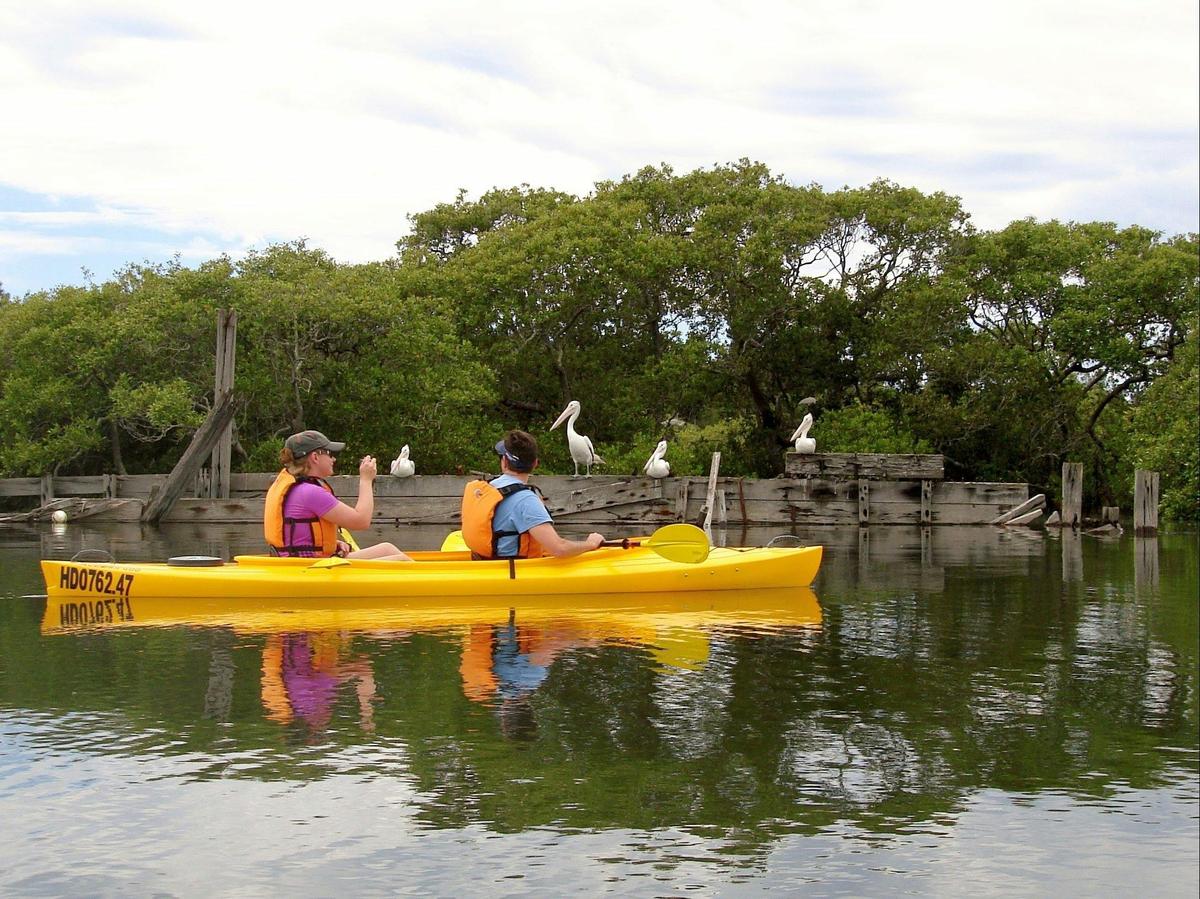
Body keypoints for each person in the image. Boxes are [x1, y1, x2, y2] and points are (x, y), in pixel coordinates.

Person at [264, 429, 411, 561]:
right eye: (329, 453)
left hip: (308, 563)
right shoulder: (310, 492)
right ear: (315, 457)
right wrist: (366, 480)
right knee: (401, 560)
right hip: (309, 570)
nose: (333, 459)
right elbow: (361, 521)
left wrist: (330, 545)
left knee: (387, 549)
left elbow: (298, 536)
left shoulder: (296, 486)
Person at [461, 429, 604, 559]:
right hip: (510, 573)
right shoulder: (526, 501)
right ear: (535, 464)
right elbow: (559, 549)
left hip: (483, 562)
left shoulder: (489, 488)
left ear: (504, 462)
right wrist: (590, 544)